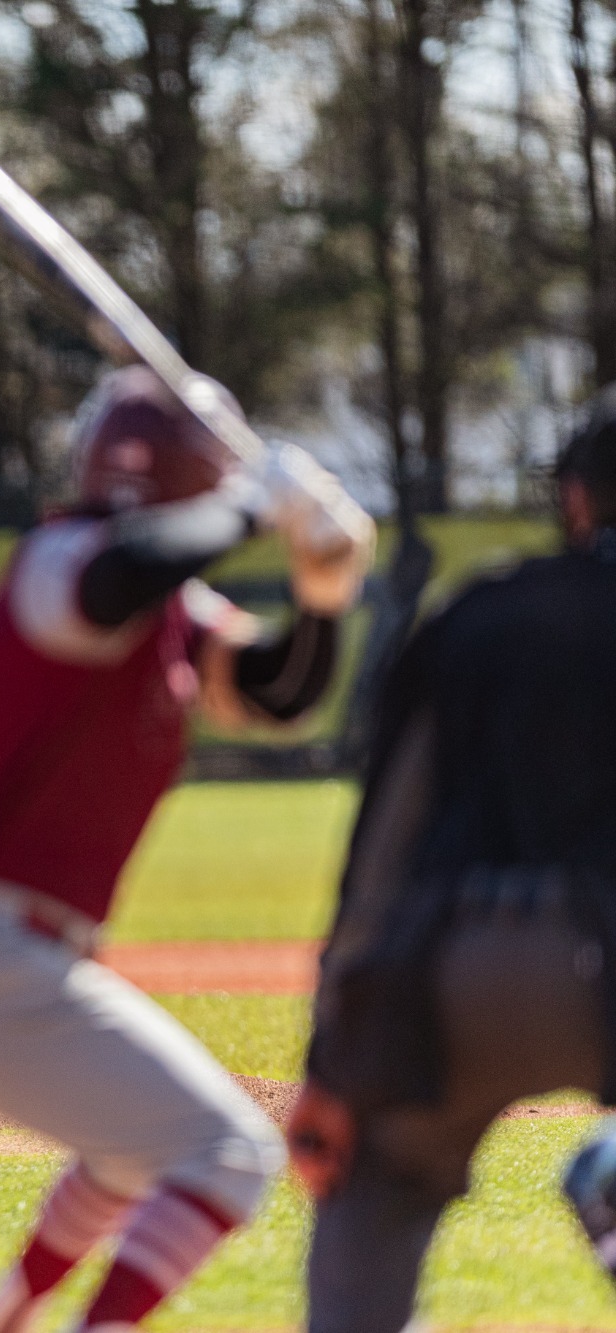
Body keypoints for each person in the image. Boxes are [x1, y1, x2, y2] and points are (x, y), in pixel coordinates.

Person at [0, 365, 375, 1333]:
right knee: (227, 1154)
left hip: (2, 952)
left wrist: (322, 593)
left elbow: (279, 692)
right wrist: (252, 502)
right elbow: (118, 579)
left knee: (133, 1147)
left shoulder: (171, 609)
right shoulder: (62, 559)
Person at [295, 390, 616, 1331]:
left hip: (455, 972)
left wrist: (334, 1063)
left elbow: (381, 855)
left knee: (378, 1181)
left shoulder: (481, 612)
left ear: (577, 500)